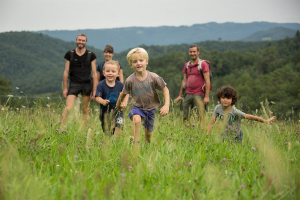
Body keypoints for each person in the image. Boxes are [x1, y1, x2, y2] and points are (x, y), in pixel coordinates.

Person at [116, 47, 170, 144]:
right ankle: (135, 144)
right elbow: (124, 93)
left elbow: (165, 89)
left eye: (141, 60)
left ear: (146, 62)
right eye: (135, 61)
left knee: (148, 135)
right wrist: (118, 105)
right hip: (136, 106)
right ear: (131, 64)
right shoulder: (130, 80)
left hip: (151, 108)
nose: (138, 63)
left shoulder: (154, 77)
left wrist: (166, 105)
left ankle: (146, 147)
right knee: (136, 120)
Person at [206, 85, 276, 143]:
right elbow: (211, 123)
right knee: (218, 146)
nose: (225, 100)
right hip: (225, 133)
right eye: (223, 97)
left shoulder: (235, 112)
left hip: (236, 135)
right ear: (219, 98)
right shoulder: (217, 108)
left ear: (232, 100)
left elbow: (250, 117)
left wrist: (265, 121)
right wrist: (207, 135)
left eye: (228, 98)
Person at [61, 33, 97, 126]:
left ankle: (84, 130)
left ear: (86, 42)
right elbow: (66, 72)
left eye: (83, 40)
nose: (81, 42)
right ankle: (60, 128)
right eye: (79, 40)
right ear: (76, 40)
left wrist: (95, 90)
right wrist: (65, 88)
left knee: (85, 109)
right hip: (74, 84)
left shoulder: (91, 55)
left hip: (87, 84)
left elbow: (94, 73)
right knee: (68, 108)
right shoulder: (70, 54)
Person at [175, 44, 210, 123]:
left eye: (194, 52)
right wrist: (180, 95)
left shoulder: (203, 64)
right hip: (188, 94)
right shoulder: (187, 65)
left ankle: (200, 133)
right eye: (191, 52)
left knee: (199, 117)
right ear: (188, 52)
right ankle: (186, 132)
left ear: (198, 52)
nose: (192, 53)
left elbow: (207, 81)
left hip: (199, 94)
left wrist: (207, 96)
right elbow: (184, 81)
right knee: (185, 116)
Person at [95, 60, 127, 136]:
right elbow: (97, 97)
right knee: (108, 134)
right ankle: (109, 145)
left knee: (119, 128)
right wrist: (102, 101)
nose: (110, 73)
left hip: (118, 111)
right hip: (105, 114)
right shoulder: (101, 85)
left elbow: (126, 94)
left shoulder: (120, 85)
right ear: (104, 73)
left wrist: (124, 102)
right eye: (108, 71)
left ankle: (116, 143)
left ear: (118, 74)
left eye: (113, 71)